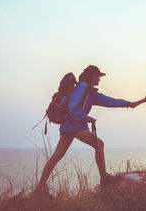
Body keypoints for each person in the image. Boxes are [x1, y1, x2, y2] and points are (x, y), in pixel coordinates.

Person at [35, 65, 138, 195]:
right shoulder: (83, 87)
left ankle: (40, 187)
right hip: (75, 125)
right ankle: (104, 178)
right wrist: (85, 117)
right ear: (92, 76)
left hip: (68, 126)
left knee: (57, 156)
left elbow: (109, 101)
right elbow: (72, 107)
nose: (100, 79)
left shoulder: (90, 92)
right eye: (98, 76)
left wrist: (128, 104)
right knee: (99, 144)